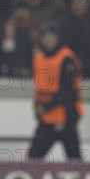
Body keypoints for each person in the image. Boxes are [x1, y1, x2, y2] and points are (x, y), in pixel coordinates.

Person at [28, 22, 83, 160]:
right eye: (45, 36)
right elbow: (39, 87)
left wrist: (45, 107)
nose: (48, 40)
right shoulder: (38, 58)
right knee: (34, 156)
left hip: (65, 113)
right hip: (46, 116)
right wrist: (37, 106)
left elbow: (67, 91)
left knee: (73, 157)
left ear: (58, 38)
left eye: (51, 36)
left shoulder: (66, 58)